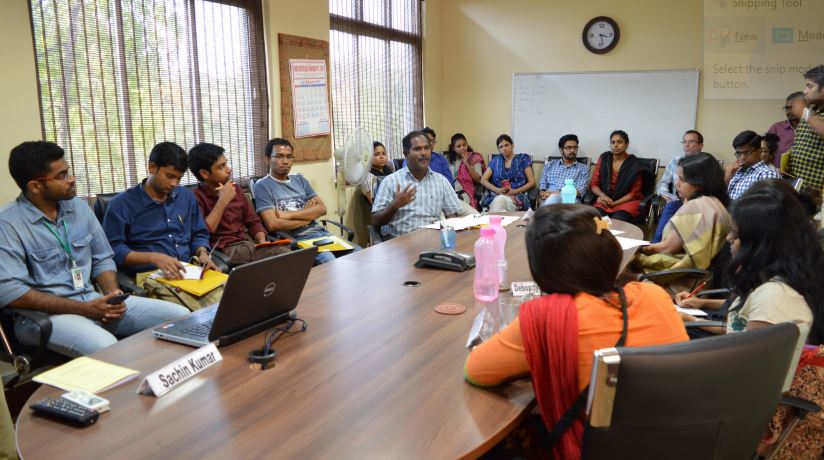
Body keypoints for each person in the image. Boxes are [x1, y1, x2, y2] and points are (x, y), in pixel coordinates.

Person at [464, 204, 688, 459]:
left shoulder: (547, 316)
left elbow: (476, 371)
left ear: (542, 268)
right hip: (672, 444)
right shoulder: (653, 294)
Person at [0, 141, 188, 357]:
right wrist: (84, 309)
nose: (71, 179)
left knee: (181, 318)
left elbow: (103, 258)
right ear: (35, 186)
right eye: (62, 176)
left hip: (92, 300)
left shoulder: (78, 208)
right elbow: (12, 293)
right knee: (108, 347)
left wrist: (113, 294)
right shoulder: (8, 224)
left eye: (68, 171)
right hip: (46, 317)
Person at [676, 181, 824, 349]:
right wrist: (702, 303)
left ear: (762, 244)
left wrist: (692, 320)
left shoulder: (774, 297)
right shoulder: (782, 275)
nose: (728, 239)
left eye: (736, 234)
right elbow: (740, 328)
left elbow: (745, 359)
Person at [103, 142, 222, 309]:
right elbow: (113, 250)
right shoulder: (121, 205)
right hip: (151, 275)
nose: (174, 184)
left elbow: (199, 233)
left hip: (189, 269)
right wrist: (153, 257)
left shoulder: (185, 197)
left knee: (234, 297)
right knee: (200, 311)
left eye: (179, 178)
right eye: (170, 176)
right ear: (152, 168)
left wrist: (202, 252)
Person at [253, 138, 359, 265]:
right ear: (268, 159)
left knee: (359, 253)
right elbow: (273, 224)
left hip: (321, 235)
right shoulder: (262, 186)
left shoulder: (299, 179)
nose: (285, 161)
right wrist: (308, 217)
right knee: (329, 260)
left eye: (289, 157)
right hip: (295, 240)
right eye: (280, 156)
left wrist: (288, 215)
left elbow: (321, 209)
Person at [635, 153, 731, 286]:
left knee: (621, 270)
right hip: (701, 280)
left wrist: (637, 249)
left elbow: (666, 249)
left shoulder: (696, 207)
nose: (677, 183)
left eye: (682, 179)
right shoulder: (716, 203)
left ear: (700, 182)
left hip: (680, 281)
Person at [188, 142, 289, 265]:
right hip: (222, 249)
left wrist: (262, 241)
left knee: (287, 249)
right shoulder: (195, 196)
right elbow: (203, 232)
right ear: (205, 173)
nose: (228, 170)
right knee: (283, 253)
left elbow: (253, 222)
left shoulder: (235, 188)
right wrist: (222, 201)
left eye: (226, 164)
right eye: (221, 167)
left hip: (245, 244)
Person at [372, 130, 463, 238]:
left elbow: (452, 215)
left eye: (427, 148)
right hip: (399, 241)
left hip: (432, 241)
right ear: (406, 154)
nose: (423, 153)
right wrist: (395, 205)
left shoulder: (441, 181)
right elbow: (375, 221)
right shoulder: (390, 182)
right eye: (417, 149)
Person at [651, 130, 704, 243]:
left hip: (699, 203)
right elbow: (662, 184)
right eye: (684, 141)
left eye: (691, 142)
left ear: (701, 145)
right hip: (678, 200)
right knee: (670, 206)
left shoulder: (706, 162)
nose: (686, 145)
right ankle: (655, 244)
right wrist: (668, 197)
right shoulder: (675, 161)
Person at [590, 130, 644, 222]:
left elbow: (634, 193)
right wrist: (603, 196)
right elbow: (594, 184)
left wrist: (614, 203)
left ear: (626, 144)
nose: (615, 145)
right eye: (613, 142)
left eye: (619, 142)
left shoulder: (634, 163)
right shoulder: (604, 158)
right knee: (597, 219)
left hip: (626, 202)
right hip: (605, 200)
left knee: (618, 220)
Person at [787, 65, 824, 193]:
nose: (804, 91)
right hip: (797, 186)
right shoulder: (810, 110)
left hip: (816, 193)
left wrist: (805, 114)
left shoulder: (807, 114)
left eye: (810, 86)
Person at [479, 134, 535, 211]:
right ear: (498, 149)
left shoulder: (523, 159)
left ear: (512, 145)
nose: (504, 149)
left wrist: (515, 191)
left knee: (499, 201)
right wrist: (497, 190)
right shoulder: (496, 160)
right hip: (496, 195)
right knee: (500, 203)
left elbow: (532, 182)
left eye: (506, 145)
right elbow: (483, 180)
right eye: (501, 147)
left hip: (517, 196)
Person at [726, 131, 782, 200]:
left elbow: (767, 205)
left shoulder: (767, 174)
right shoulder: (736, 171)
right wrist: (727, 177)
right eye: (739, 153)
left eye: (748, 152)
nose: (742, 157)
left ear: (759, 151)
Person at [538, 134, 589, 205]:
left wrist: (554, 195)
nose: (572, 150)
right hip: (548, 198)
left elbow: (580, 191)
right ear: (561, 150)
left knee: (553, 199)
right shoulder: (550, 165)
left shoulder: (583, 169)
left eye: (575, 147)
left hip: (570, 200)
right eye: (569, 147)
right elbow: (542, 186)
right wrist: (542, 193)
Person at [445, 133, 486, 210]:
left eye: (464, 145)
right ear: (453, 148)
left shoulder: (474, 157)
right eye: (458, 146)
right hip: (451, 191)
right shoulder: (448, 160)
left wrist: (466, 163)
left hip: (468, 192)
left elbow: (478, 180)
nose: (462, 148)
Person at [766, 91, 804, 168]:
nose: (789, 111)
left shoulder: (814, 127)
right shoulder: (776, 128)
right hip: (779, 173)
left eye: (792, 107)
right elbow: (765, 152)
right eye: (787, 108)